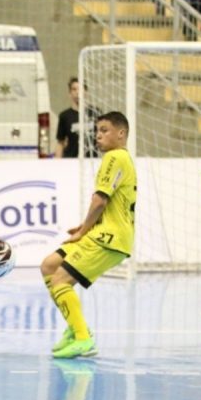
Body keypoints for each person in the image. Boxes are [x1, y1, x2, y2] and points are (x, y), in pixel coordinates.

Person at [40, 112, 136, 359]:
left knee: (60, 281)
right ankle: (76, 329)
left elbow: (99, 200)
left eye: (104, 130)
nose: (98, 135)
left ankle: (84, 339)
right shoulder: (119, 159)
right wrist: (85, 227)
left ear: (121, 134)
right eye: (97, 130)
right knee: (50, 265)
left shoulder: (115, 157)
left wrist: (84, 231)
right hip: (103, 233)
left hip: (110, 238)